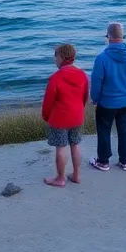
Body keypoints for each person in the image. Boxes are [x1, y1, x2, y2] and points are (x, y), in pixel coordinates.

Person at [89, 22, 126, 171]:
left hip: (107, 101)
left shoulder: (102, 58)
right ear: (122, 36)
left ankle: (103, 161)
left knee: (104, 130)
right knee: (125, 129)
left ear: (108, 36)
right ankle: (125, 161)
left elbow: (97, 81)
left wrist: (95, 98)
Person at [41, 43, 89, 187]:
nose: (54, 60)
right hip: (77, 115)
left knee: (61, 147)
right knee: (75, 144)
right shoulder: (82, 75)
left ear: (61, 57)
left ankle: (60, 178)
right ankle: (76, 175)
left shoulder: (56, 77)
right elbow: (85, 96)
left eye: (55, 57)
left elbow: (48, 101)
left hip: (60, 118)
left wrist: (46, 116)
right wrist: (80, 110)